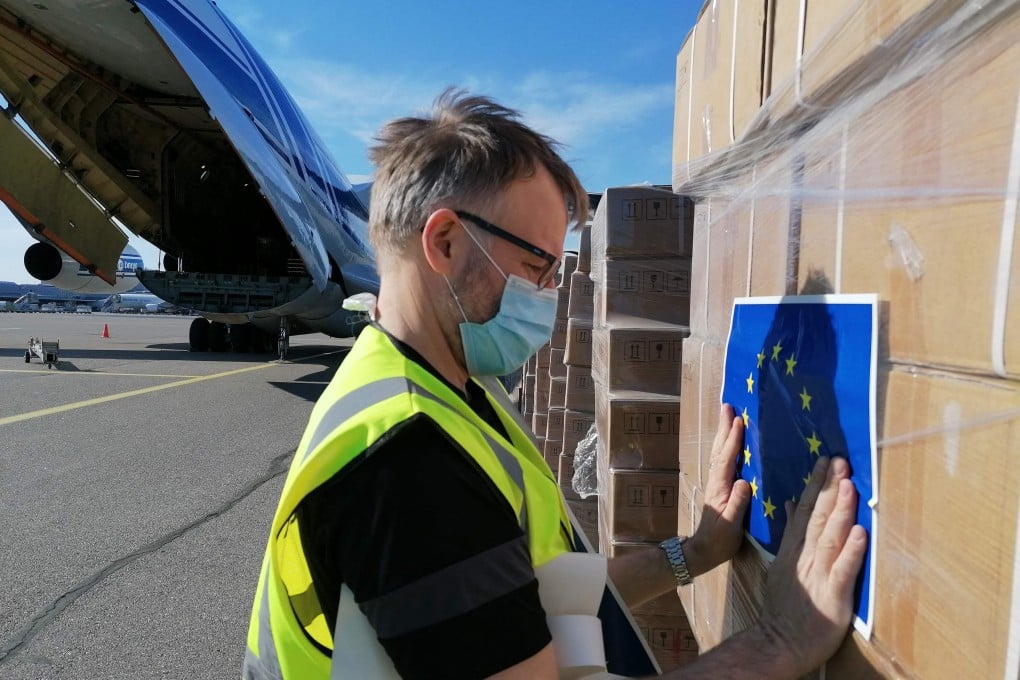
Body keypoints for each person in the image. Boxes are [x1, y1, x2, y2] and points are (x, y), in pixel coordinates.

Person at [243, 89, 867, 680]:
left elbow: (530, 592)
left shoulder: (447, 384)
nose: (549, 292)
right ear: (445, 242)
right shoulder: (408, 462)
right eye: (535, 266)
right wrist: (780, 640)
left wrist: (695, 553)